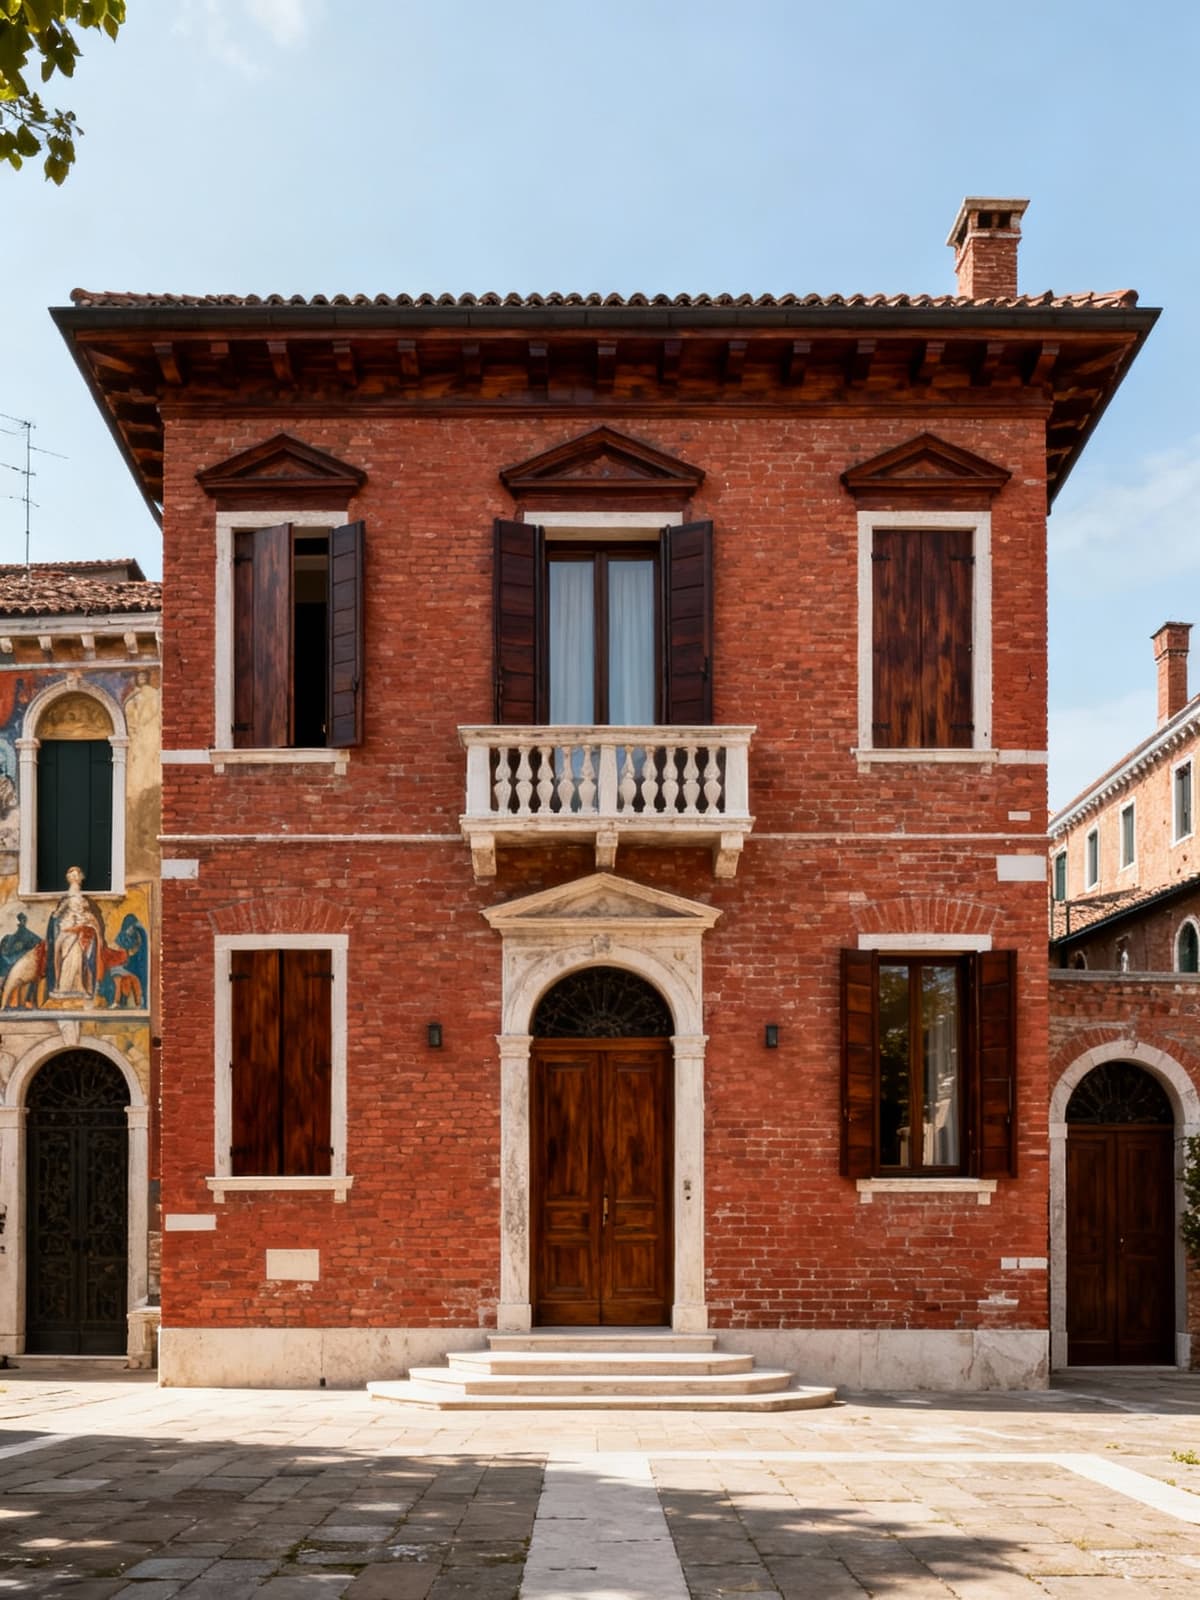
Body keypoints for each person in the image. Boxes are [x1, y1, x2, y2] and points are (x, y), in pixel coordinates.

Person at [46, 866, 105, 1001]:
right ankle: (61, 987)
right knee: (61, 955)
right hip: (66, 929)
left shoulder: (83, 901)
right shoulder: (67, 900)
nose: (75, 877)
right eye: (72, 875)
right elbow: (56, 914)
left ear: (81, 877)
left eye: (77, 874)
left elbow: (90, 917)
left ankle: (79, 987)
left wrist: (89, 924)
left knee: (78, 957)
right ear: (68, 878)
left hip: (79, 930)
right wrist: (63, 918)